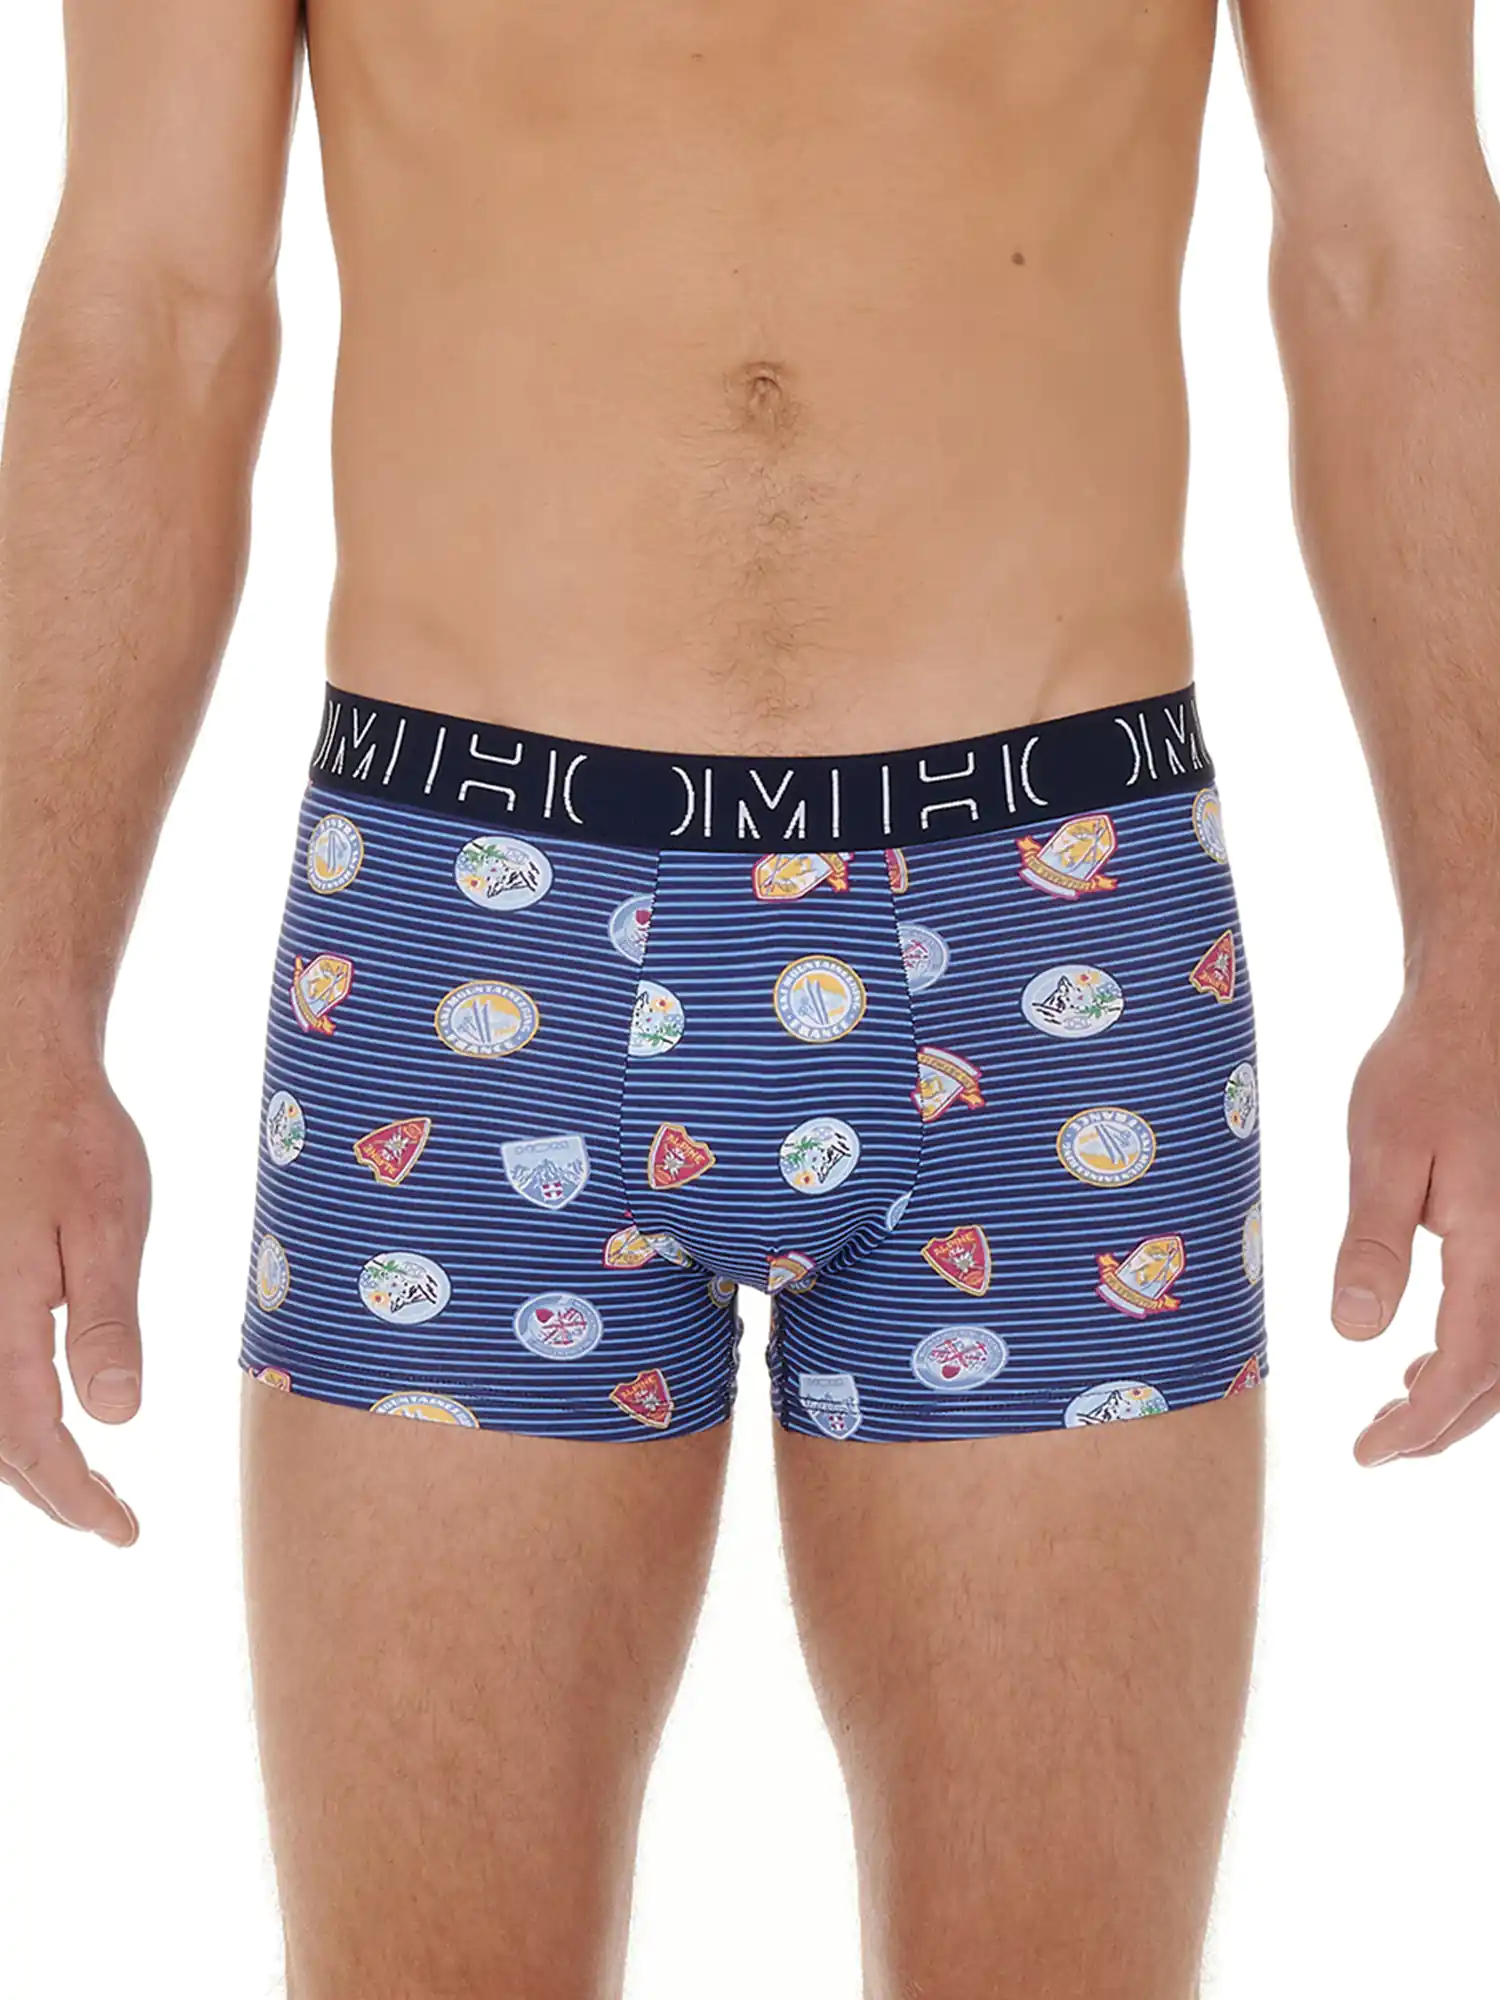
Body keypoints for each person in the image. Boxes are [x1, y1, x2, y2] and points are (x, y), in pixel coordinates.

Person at [1, 2, 1496, 1995]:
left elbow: (1393, 244)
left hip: (1053, 921)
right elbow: (155, 300)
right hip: (469, 931)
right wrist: (27, 988)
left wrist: (1481, 937)